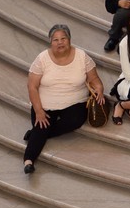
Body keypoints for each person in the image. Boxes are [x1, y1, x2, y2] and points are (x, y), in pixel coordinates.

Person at [23, 24, 105, 174]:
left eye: (63, 38)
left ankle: (34, 134)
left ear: (69, 40)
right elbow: (32, 87)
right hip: (46, 103)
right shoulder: (42, 59)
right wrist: (39, 110)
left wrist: (99, 89)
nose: (60, 42)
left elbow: (94, 79)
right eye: (55, 40)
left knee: (75, 121)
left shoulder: (82, 56)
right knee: (42, 125)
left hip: (74, 101)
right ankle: (28, 161)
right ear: (50, 42)